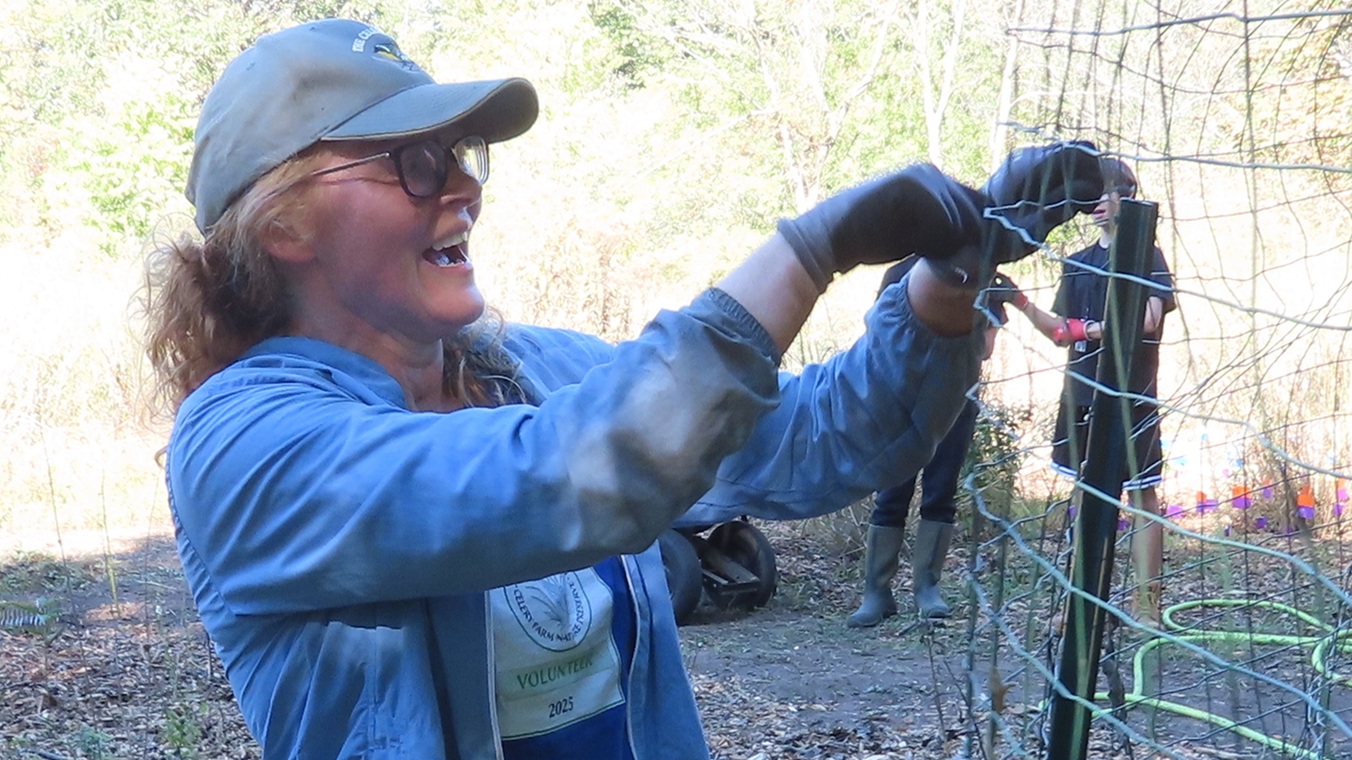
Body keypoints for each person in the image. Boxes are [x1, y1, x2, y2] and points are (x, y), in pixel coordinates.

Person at [142, 18, 1098, 758]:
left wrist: (948, 276)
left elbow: (819, 443)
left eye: (463, 157)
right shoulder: (244, 444)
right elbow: (572, 477)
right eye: (415, 161)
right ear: (282, 224)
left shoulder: (539, 372)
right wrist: (811, 252)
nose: (463, 188)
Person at [1005, 157, 1177, 625]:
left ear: (1128, 195)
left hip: (1132, 395)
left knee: (1141, 496)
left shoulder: (1147, 255)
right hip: (1081, 394)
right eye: (1091, 194)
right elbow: (1060, 331)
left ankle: (1147, 607)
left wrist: (1090, 329)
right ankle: (1079, 606)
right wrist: (1019, 301)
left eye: (1108, 192)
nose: (1099, 203)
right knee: (1085, 496)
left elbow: (1146, 321)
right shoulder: (1078, 263)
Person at [847, 257, 1013, 626]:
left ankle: (927, 588)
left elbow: (985, 348)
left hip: (956, 398)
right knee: (891, 494)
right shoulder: (898, 273)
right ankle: (876, 593)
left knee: (940, 493)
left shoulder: (981, 275)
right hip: (899, 399)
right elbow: (880, 336)